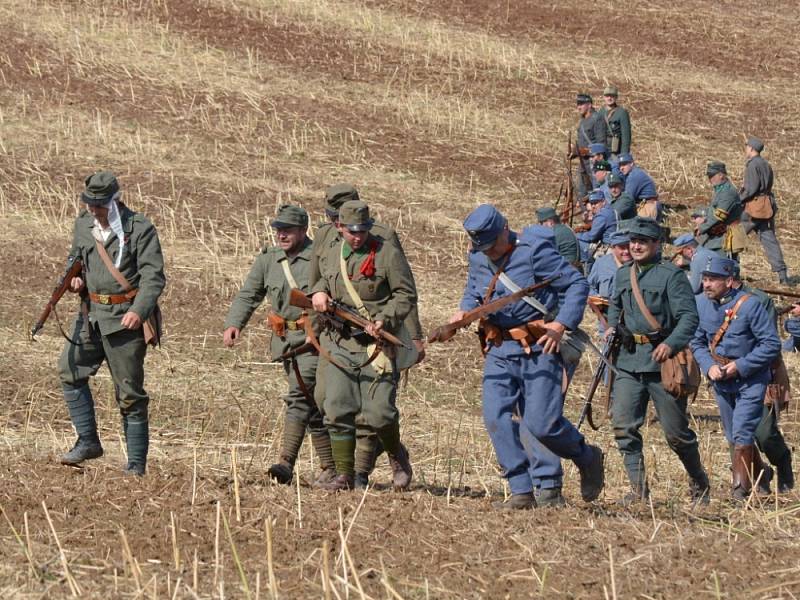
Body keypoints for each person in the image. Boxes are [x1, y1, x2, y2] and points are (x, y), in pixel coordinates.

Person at [450, 204, 605, 509]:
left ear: (505, 229)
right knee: (495, 416)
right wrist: (463, 310)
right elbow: (475, 290)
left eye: (493, 245)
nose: (489, 252)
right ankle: (521, 489)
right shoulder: (479, 256)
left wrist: (562, 324)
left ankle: (586, 456)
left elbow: (576, 283)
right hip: (500, 347)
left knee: (541, 423)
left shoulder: (534, 252)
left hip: (539, 346)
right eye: (483, 247)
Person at [310, 184, 424, 488]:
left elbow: (406, 294)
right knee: (335, 406)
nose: (357, 236)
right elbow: (318, 278)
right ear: (338, 226)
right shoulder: (330, 247)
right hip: (339, 339)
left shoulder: (385, 251)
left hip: (378, 344)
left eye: (362, 230)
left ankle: (396, 452)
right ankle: (345, 475)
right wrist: (319, 291)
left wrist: (384, 319)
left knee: (380, 414)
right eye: (351, 231)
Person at [57, 171, 165, 476]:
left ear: (115, 200)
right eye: (89, 203)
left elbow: (153, 277)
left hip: (125, 322)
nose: (93, 210)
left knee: (130, 394)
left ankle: (135, 466)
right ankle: (88, 441)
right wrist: (76, 281)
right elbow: (75, 260)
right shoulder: (83, 224)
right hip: (90, 317)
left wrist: (140, 311)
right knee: (69, 369)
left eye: (99, 205)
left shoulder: (139, 228)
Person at [223, 204, 336, 486]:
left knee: (299, 397)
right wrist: (234, 323)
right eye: (278, 230)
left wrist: (318, 329)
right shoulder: (269, 260)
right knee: (310, 404)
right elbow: (250, 293)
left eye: (288, 230)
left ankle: (286, 462)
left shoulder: (318, 258)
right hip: (285, 343)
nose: (281, 235)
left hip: (313, 341)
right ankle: (331, 467)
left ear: (302, 230)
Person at [605, 217, 709, 504]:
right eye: (632, 241)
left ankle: (699, 481)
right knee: (624, 427)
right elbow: (615, 304)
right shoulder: (624, 274)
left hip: (663, 364)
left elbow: (689, 317)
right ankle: (639, 491)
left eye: (642, 241)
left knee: (676, 434)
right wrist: (612, 327)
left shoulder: (671, 276)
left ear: (656, 245)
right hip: (628, 361)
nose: (635, 246)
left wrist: (670, 343)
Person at [690, 257, 781, 500]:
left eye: (713, 280)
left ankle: (740, 489)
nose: (707, 284)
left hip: (750, 379)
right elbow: (697, 341)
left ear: (729, 281)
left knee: (742, 431)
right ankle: (761, 473)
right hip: (720, 381)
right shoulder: (700, 304)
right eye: (705, 279)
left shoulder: (751, 306)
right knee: (732, 434)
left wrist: (740, 366)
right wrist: (708, 366)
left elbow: (771, 345)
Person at [731, 266, 794, 493]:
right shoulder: (708, 302)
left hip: (761, 373)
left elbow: (766, 343)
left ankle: (783, 461)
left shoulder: (758, 301)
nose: (707, 284)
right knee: (737, 434)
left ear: (730, 280)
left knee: (764, 433)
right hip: (727, 376)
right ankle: (754, 478)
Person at [739, 136, 790, 285]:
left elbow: (750, 189)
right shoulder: (765, 164)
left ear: (752, 149)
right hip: (766, 207)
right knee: (770, 241)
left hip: (754, 208)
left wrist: (738, 199)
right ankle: (782, 275)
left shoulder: (752, 165)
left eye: (747, 147)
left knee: (734, 236)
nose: (745, 149)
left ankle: (729, 269)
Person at [698, 161, 744, 258]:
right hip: (718, 236)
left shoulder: (728, 192)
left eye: (712, 176)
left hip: (725, 238)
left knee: (724, 267)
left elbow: (719, 216)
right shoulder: (721, 189)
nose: (710, 179)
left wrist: (702, 228)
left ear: (721, 175)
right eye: (709, 176)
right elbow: (713, 209)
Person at [588, 230, 631, 323]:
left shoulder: (639, 264)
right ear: (613, 247)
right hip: (607, 318)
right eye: (622, 247)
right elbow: (589, 286)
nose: (626, 251)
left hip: (632, 320)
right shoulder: (601, 263)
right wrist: (595, 298)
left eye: (628, 246)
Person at [573, 93, 607, 197]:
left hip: (595, 162)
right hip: (583, 162)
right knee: (582, 193)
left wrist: (585, 151)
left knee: (598, 192)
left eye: (582, 104)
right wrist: (574, 151)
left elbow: (601, 144)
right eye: (578, 104)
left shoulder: (597, 118)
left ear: (589, 105)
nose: (579, 107)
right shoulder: (582, 120)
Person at [577, 190, 617, 269]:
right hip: (613, 244)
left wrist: (577, 236)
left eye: (596, 203)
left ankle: (588, 269)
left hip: (608, 248)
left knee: (578, 243)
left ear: (603, 202)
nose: (593, 206)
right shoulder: (611, 210)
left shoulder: (602, 215)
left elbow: (591, 237)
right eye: (591, 203)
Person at [618, 154, 659, 220]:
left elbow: (627, 199)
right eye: (620, 165)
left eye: (624, 164)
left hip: (647, 208)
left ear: (631, 163)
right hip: (646, 205)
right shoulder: (634, 172)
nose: (621, 168)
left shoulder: (634, 176)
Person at [598, 85, 632, 157]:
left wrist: (624, 155)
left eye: (612, 96)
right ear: (604, 97)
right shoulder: (601, 112)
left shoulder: (622, 112)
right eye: (607, 96)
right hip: (602, 150)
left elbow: (626, 137)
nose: (609, 98)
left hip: (615, 151)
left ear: (616, 97)